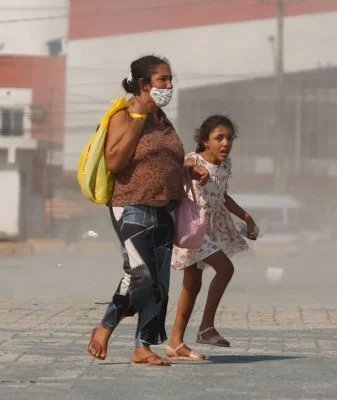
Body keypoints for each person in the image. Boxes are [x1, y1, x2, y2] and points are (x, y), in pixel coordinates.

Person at [86, 55, 209, 366]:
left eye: (170, 79)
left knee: (159, 283)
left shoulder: (162, 118)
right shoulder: (124, 115)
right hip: (131, 206)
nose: (170, 85)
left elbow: (163, 159)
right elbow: (115, 161)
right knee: (140, 276)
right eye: (163, 80)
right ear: (143, 84)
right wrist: (138, 119)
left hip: (164, 208)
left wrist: (187, 171)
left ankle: (143, 346)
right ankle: (105, 326)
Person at [166, 115, 258, 360]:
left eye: (229, 138)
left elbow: (224, 197)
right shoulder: (193, 160)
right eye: (219, 138)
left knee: (192, 285)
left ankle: (175, 341)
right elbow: (172, 170)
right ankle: (206, 327)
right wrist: (189, 169)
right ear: (205, 141)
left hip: (212, 228)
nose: (225, 143)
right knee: (225, 269)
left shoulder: (226, 166)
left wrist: (246, 216)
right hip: (193, 229)